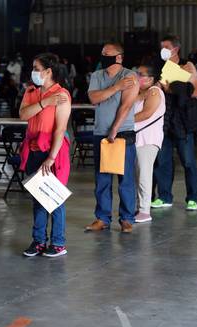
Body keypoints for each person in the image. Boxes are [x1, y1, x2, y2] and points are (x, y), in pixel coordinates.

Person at [19, 53, 72, 257]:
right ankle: (38, 241)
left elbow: (60, 129)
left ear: (48, 71)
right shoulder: (31, 92)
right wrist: (44, 102)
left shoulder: (62, 95)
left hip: (53, 152)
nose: (33, 72)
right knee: (37, 197)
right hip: (33, 149)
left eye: (36, 67)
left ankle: (58, 242)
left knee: (53, 198)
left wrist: (51, 157)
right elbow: (23, 114)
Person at [84, 41, 139, 233]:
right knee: (102, 178)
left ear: (119, 57)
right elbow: (94, 98)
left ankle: (126, 218)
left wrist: (114, 129)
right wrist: (116, 87)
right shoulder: (97, 75)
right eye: (102, 53)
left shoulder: (130, 76)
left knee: (125, 179)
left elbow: (126, 106)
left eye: (106, 53)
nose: (103, 56)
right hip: (100, 132)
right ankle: (102, 218)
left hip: (122, 132)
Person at [152, 35, 197, 211]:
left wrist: (171, 87)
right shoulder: (159, 67)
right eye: (161, 47)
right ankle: (164, 196)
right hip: (164, 121)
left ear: (176, 49)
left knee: (188, 161)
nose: (162, 50)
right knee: (162, 160)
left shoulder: (187, 66)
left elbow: (195, 92)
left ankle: (193, 197)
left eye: (166, 47)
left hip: (183, 120)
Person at [133, 63, 165, 223]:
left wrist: (123, 122)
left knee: (144, 175)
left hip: (148, 139)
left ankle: (144, 210)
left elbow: (146, 114)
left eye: (141, 74)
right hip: (138, 139)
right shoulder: (142, 92)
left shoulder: (154, 92)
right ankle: (139, 207)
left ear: (151, 78)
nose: (137, 76)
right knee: (138, 175)